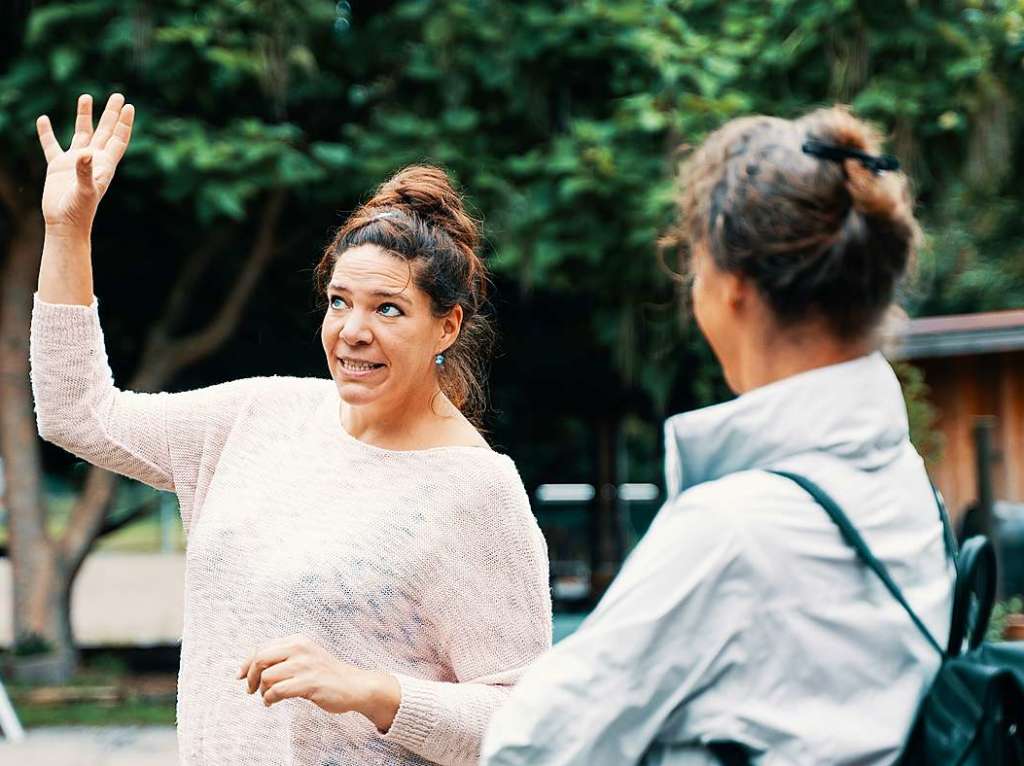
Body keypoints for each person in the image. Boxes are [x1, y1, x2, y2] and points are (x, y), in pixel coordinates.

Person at [31, 93, 551, 766]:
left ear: (446, 326)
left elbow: (528, 721)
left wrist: (372, 690)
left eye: (389, 309)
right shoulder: (258, 417)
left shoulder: (476, 493)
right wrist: (68, 233)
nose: (353, 331)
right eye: (340, 302)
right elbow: (78, 412)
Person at [481, 107, 955, 765]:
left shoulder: (731, 532)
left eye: (695, 261)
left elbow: (529, 750)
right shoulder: (906, 482)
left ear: (732, 288)